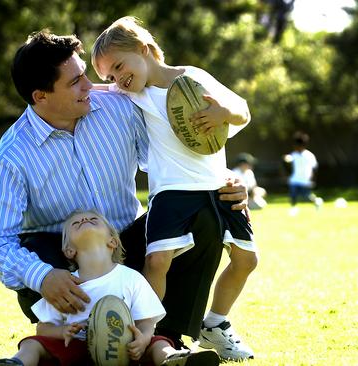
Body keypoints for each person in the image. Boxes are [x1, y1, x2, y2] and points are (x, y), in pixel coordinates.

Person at [0, 30, 248, 355]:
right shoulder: (12, 156)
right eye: (75, 82)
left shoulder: (120, 109)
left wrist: (222, 180)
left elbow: (174, 153)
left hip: (129, 247)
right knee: (33, 250)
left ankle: (167, 340)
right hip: (67, 265)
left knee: (200, 212)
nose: (90, 85)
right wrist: (42, 275)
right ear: (41, 96)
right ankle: (74, 342)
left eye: (85, 76)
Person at [91, 16, 257, 361]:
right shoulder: (132, 96)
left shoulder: (192, 79)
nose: (117, 79)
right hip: (171, 193)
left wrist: (223, 112)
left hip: (218, 188)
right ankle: (149, 330)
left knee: (246, 260)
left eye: (119, 66)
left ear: (145, 49)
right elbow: (98, 91)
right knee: (158, 260)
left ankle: (216, 323)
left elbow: (242, 110)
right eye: (110, 75)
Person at [0, 210, 220, 366]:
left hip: (128, 349)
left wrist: (143, 338)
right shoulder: (67, 284)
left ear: (113, 241)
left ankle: (172, 359)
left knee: (160, 342)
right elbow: (43, 326)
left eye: (93, 219)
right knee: (32, 343)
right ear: (69, 250)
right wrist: (63, 330)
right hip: (77, 348)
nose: (85, 219)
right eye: (76, 223)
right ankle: (16, 363)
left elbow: (147, 320)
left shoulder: (130, 278)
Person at [283, 131, 322, 215]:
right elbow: (288, 163)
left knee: (307, 197)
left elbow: (314, 168)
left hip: (305, 180)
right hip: (294, 179)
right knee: (293, 194)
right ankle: (293, 208)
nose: (295, 147)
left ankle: (317, 201)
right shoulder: (293, 155)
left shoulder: (309, 155)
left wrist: (313, 180)